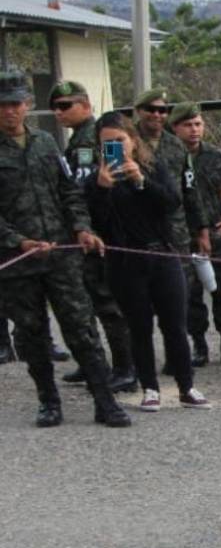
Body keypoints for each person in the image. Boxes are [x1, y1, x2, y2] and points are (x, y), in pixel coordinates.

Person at [0, 69, 130, 428]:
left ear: (26, 105)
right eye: (3, 106)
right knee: (32, 333)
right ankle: (48, 401)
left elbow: (69, 190)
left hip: (60, 254)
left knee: (82, 326)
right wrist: (18, 241)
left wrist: (82, 228)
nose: (10, 112)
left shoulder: (45, 143)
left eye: (16, 104)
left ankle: (104, 401)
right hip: (19, 260)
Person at [85, 111, 212, 412]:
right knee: (139, 327)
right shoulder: (96, 180)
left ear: (132, 140)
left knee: (175, 325)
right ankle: (150, 388)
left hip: (162, 255)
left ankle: (187, 386)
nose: (114, 148)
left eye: (120, 141)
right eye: (107, 144)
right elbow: (97, 222)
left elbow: (171, 203)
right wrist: (102, 190)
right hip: (124, 261)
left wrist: (140, 181)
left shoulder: (154, 167)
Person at [49, 80, 137, 393]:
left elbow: (98, 187)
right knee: (88, 302)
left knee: (107, 302)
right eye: (55, 107)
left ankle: (126, 367)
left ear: (85, 106)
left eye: (66, 105)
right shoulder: (76, 142)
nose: (59, 112)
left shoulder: (97, 139)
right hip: (83, 231)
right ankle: (95, 363)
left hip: (100, 232)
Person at [170, 102, 221, 367]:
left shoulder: (217, 156)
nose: (194, 130)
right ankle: (199, 347)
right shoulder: (170, 157)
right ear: (175, 128)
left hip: (216, 237)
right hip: (184, 237)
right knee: (190, 296)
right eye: (187, 125)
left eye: (198, 124)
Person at [132, 88, 205, 368]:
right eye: (151, 109)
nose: (157, 115)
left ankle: (176, 356)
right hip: (137, 234)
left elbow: (189, 190)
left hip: (175, 234)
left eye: (163, 110)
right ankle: (137, 363)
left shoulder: (176, 146)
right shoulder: (122, 141)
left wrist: (201, 230)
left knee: (177, 299)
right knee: (138, 304)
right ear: (139, 110)